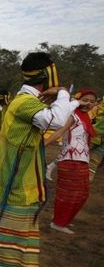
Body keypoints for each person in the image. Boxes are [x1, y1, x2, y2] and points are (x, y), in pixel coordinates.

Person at [0, 52, 79, 267]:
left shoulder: (27, 102)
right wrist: (64, 93)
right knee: (1, 225)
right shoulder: (24, 102)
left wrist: (71, 102)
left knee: (10, 226)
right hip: (12, 178)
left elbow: (52, 125)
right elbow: (56, 119)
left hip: (19, 178)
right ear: (48, 76)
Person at [44, 89, 98, 234]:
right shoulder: (73, 115)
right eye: (86, 100)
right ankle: (58, 222)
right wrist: (42, 145)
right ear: (79, 99)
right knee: (70, 194)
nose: (89, 104)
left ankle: (62, 219)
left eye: (92, 102)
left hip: (81, 160)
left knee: (82, 193)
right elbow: (59, 132)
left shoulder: (85, 117)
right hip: (71, 160)